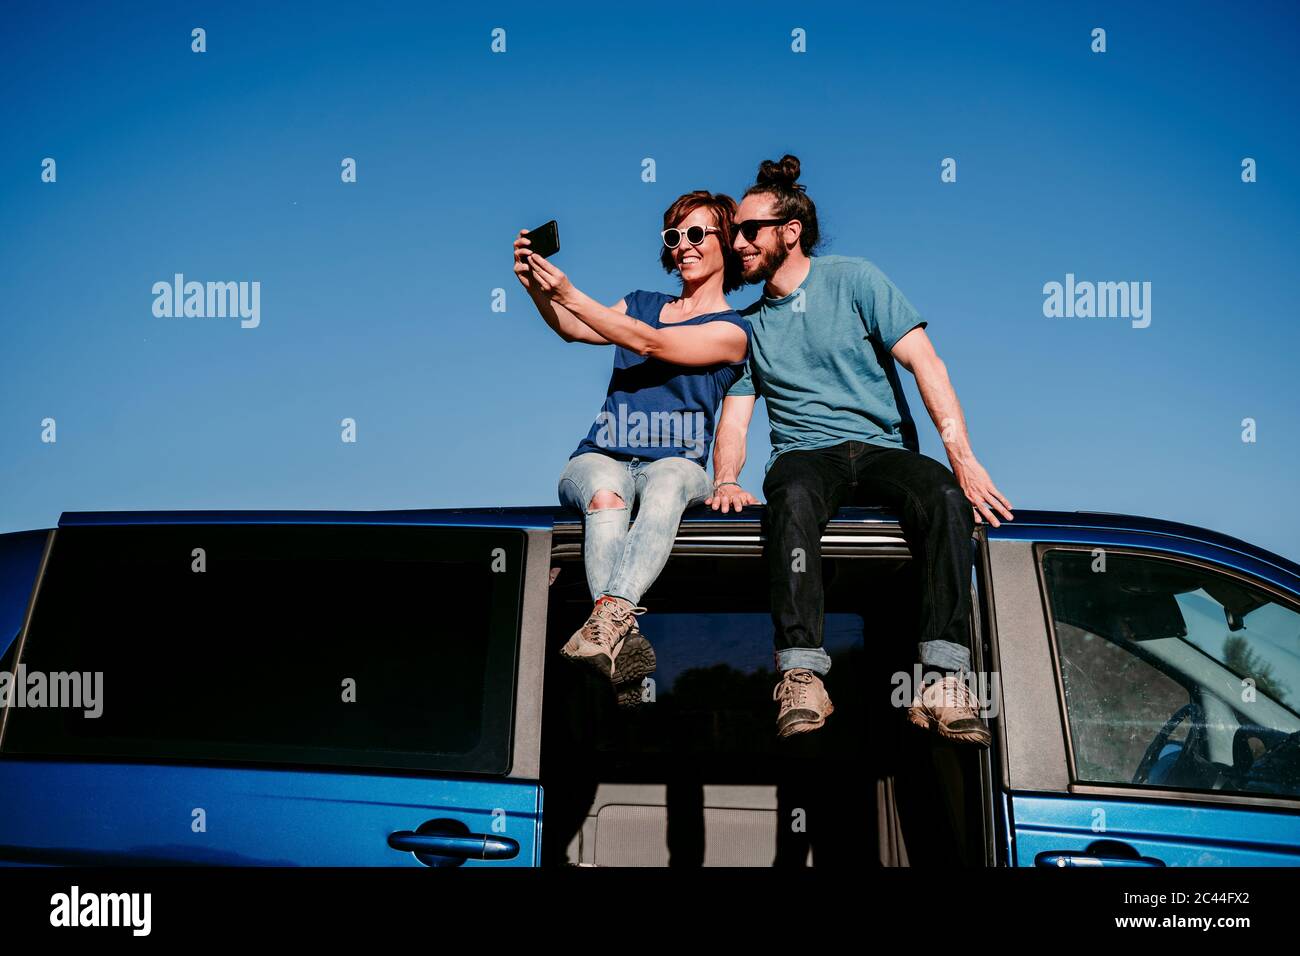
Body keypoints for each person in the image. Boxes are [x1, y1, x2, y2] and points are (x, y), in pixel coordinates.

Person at [708, 155, 1014, 741]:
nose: (737, 243)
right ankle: (801, 676)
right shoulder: (750, 327)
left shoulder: (855, 279)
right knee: (790, 496)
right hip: (807, 456)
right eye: (733, 233)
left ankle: (943, 680)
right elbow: (735, 418)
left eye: (749, 230)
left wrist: (963, 458)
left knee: (947, 498)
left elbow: (926, 362)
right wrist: (725, 478)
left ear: (789, 232)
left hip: (880, 449)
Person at [515, 191, 754, 704]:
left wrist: (570, 291)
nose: (683, 246)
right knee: (604, 493)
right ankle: (615, 639)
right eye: (674, 236)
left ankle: (608, 621)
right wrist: (539, 290)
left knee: (666, 483)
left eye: (696, 234)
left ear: (726, 247)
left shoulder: (732, 332)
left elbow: (651, 344)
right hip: (602, 456)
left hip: (678, 463)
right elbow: (575, 328)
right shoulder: (641, 302)